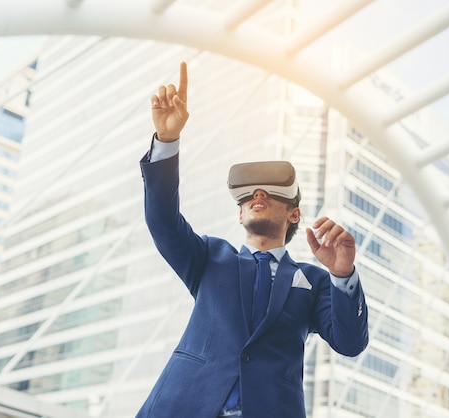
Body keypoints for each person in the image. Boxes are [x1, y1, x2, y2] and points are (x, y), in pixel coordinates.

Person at [137, 62, 369, 418]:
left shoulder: (318, 281)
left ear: (294, 215)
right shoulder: (209, 257)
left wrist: (343, 275)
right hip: (185, 406)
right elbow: (162, 220)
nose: (257, 193)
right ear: (240, 215)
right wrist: (167, 141)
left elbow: (350, 343)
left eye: (272, 192)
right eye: (247, 196)